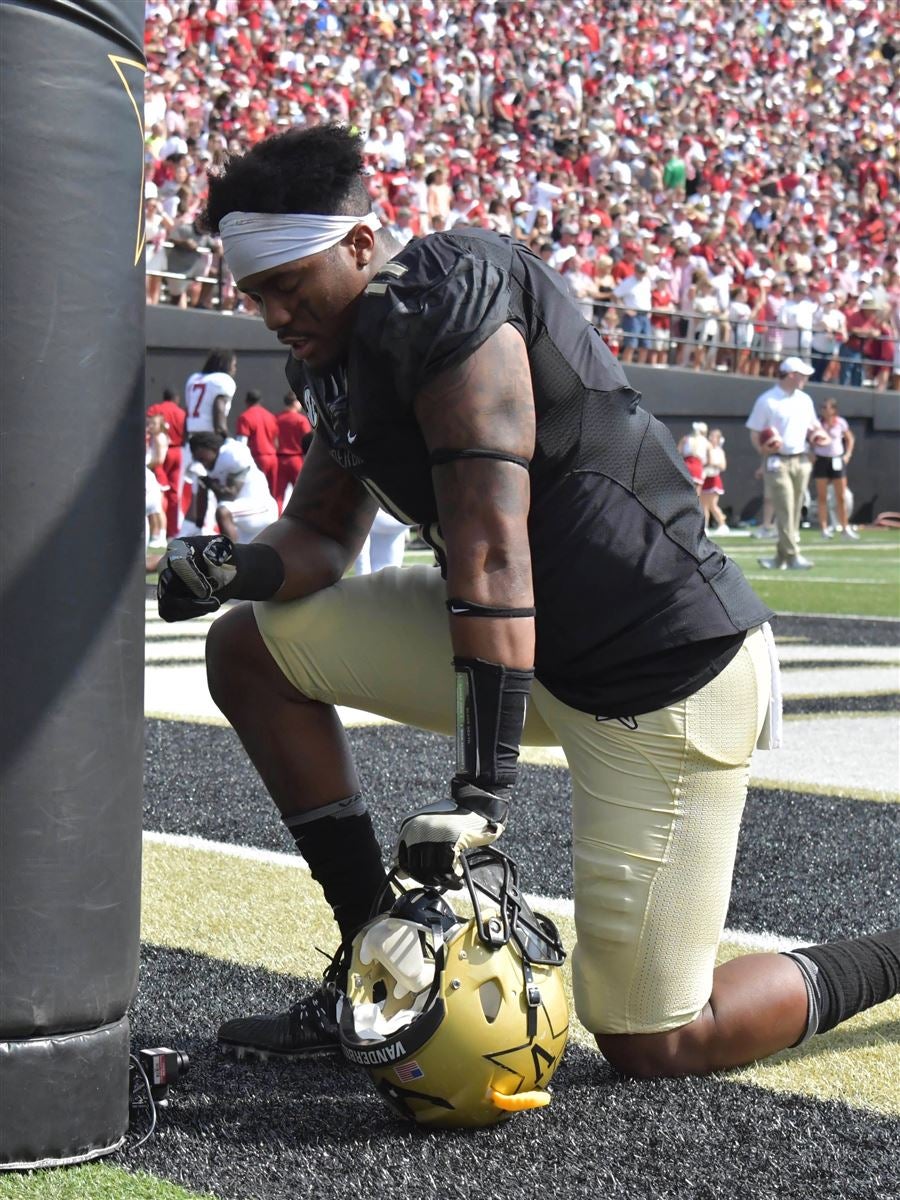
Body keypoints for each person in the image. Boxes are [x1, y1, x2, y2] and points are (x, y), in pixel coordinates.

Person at [158, 127, 899, 1082]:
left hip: (657, 669)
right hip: (536, 642)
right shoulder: (341, 353)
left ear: (354, 245)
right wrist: (232, 569)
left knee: (658, 1039)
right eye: (253, 293)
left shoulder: (450, 291)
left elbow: (491, 545)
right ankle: (372, 971)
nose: (268, 312)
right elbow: (317, 543)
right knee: (250, 649)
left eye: (284, 285)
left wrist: (481, 791)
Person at [746, 357, 822, 571]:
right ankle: (793, 554)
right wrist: (763, 449)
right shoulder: (767, 400)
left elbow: (813, 426)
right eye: (802, 375)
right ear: (790, 375)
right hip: (776, 460)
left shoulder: (805, 400)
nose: (806, 379)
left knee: (795, 509)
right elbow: (755, 431)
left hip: (801, 459)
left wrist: (818, 437)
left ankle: (780, 558)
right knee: (785, 507)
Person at [185, 432, 278, 545]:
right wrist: (198, 525)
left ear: (212, 448)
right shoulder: (207, 464)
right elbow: (202, 497)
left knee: (223, 511)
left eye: (201, 457)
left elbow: (230, 494)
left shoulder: (232, 455)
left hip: (260, 510)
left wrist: (206, 480)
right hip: (241, 521)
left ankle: (231, 558)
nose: (200, 461)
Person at [182, 348, 237, 532]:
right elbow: (218, 408)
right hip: (209, 440)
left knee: (199, 490)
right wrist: (223, 436)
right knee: (212, 488)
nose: (235, 369)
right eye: (234, 364)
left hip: (192, 439)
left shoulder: (195, 379)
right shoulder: (222, 381)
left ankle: (190, 531)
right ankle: (199, 531)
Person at [813, 399, 858, 541]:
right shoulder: (817, 423)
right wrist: (811, 453)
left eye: (826, 407)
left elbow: (850, 438)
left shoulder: (841, 422)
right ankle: (824, 529)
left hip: (837, 460)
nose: (824, 410)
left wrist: (848, 454)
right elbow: (809, 439)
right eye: (822, 407)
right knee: (822, 496)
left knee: (841, 496)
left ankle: (845, 528)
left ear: (833, 409)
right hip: (821, 460)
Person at [146, 387, 186, 538]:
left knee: (159, 491)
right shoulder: (181, 413)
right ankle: (172, 530)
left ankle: (159, 531)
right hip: (179, 452)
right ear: (176, 399)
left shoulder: (156, 409)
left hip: (162, 452)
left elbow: (148, 426)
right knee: (175, 493)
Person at [236, 388, 279, 498]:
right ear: (260, 401)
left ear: (246, 401)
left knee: (256, 492)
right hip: (273, 458)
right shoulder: (271, 416)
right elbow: (276, 441)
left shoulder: (245, 416)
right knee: (272, 494)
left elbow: (242, 443)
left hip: (257, 459)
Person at [274, 392, 312, 514]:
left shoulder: (276, 418)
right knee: (302, 492)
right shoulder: (301, 420)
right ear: (295, 403)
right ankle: (304, 516)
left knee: (278, 495)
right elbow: (308, 440)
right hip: (296, 459)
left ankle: (277, 517)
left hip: (279, 460)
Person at [700, 429, 729, 534]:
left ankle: (723, 524)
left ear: (718, 439)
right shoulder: (706, 450)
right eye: (710, 436)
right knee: (703, 505)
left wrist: (712, 463)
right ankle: (704, 526)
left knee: (712, 504)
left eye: (714, 436)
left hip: (714, 479)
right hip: (705, 479)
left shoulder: (719, 451)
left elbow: (723, 466)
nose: (711, 438)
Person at [677, 421, 711, 496]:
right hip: (698, 467)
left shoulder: (685, 439)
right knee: (696, 493)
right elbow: (709, 460)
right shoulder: (706, 442)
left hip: (685, 466)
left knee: (683, 491)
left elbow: (677, 453)